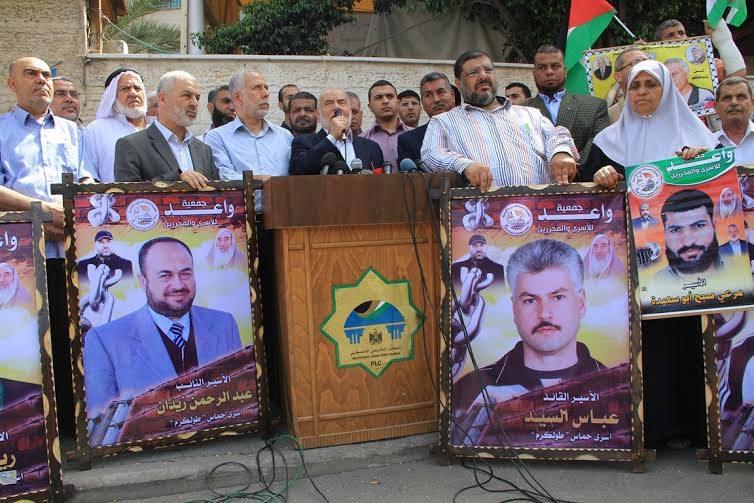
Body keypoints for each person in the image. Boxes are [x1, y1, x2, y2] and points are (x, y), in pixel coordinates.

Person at [1, 56, 94, 436]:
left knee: (74, 337)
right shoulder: (2, 130)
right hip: (22, 259)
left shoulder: (73, 132)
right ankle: (39, 432)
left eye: (45, 75)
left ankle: (75, 428)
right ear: (12, 83)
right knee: (34, 344)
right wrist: (41, 211)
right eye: (31, 74)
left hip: (71, 252)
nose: (41, 80)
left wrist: (73, 210)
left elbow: (87, 178)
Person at [84, 237, 243, 415]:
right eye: (165, 275)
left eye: (186, 273)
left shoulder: (224, 324)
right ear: (143, 281)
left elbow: (239, 400)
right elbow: (101, 422)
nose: (178, 285)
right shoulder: (105, 341)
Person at [453, 238, 605, 412]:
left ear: (581, 304)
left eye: (558, 297)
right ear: (514, 309)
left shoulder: (618, 385)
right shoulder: (469, 389)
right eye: (530, 300)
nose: (544, 313)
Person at [422, 49, 578, 190]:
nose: (483, 76)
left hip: (539, 207)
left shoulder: (530, 114)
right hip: (482, 209)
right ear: (458, 83)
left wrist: (560, 153)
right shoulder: (444, 122)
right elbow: (431, 154)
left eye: (488, 70)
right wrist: (465, 165)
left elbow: (555, 136)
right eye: (473, 73)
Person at [583, 60, 718, 187]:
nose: (642, 91)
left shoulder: (697, 136)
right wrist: (599, 177)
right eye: (634, 86)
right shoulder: (606, 142)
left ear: (666, 89)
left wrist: (704, 159)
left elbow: (721, 180)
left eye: (651, 84)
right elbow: (583, 192)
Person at [114, 71, 216, 189]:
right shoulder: (131, 145)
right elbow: (128, 195)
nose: (194, 103)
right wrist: (175, 180)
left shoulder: (204, 150)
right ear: (162, 98)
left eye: (197, 98)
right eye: (187, 96)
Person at [204, 70, 293, 187]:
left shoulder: (285, 136)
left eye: (266, 88)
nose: (266, 93)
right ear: (237, 97)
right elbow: (225, 176)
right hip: (243, 199)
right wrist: (255, 180)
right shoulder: (217, 137)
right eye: (257, 88)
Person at [525, 45, 610, 163]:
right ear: (534, 73)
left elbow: (600, 144)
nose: (549, 71)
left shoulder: (595, 106)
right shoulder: (520, 112)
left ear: (565, 71)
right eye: (542, 67)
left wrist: (571, 166)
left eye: (555, 66)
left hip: (584, 173)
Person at [289, 88, 384, 175]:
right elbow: (297, 170)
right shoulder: (303, 142)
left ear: (349, 111)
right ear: (318, 114)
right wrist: (332, 137)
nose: (337, 107)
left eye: (342, 102)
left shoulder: (371, 147)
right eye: (329, 103)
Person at [85, 68, 152, 182]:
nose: (133, 93)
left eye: (137, 88)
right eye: (125, 88)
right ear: (112, 97)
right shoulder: (96, 130)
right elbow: (89, 175)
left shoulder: (158, 127)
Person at [656, 189, 722, 281]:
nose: (688, 242)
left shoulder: (738, 267)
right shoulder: (654, 283)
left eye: (699, 226)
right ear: (665, 234)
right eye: (675, 230)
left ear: (714, 226)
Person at [655, 18, 746, 79]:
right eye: (670, 35)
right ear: (658, 43)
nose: (678, 37)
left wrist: (724, 42)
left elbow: (738, 77)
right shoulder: (653, 68)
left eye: (681, 33)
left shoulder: (710, 63)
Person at [397, 72, 456, 164]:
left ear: (452, 95)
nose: (436, 99)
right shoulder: (408, 141)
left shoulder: (473, 127)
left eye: (441, 92)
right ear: (423, 104)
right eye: (428, 95)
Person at [361, 79, 412, 168]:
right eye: (378, 97)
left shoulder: (416, 135)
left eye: (390, 96)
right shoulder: (361, 141)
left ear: (398, 103)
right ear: (370, 107)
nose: (385, 101)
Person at [714, 77, 754, 164]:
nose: (734, 102)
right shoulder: (707, 144)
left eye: (741, 97)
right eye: (727, 98)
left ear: (752, 104)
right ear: (716, 107)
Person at [608, 47, 649, 123]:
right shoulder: (610, 117)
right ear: (618, 76)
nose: (644, 66)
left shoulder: (667, 108)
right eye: (636, 63)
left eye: (647, 62)